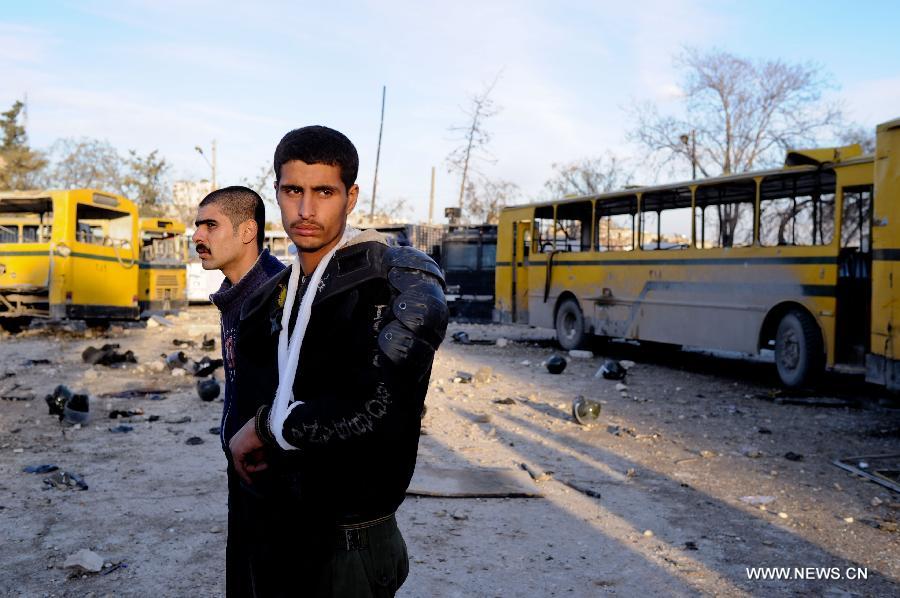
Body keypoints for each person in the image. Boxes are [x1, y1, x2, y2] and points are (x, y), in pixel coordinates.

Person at [225, 126, 448, 597]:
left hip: (352, 542)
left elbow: (377, 413)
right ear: (278, 193)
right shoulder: (268, 301)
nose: (306, 210)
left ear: (351, 197)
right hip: (276, 528)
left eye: (324, 192)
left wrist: (266, 428)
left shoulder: (393, 285)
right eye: (293, 191)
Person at [191, 186, 286, 545]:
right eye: (198, 226)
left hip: (272, 476)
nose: (197, 236)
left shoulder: (275, 297)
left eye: (210, 225)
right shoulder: (239, 293)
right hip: (246, 469)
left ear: (247, 231)